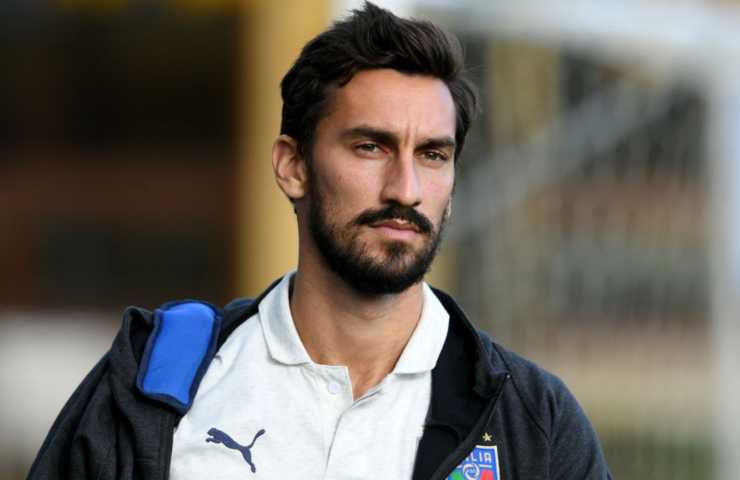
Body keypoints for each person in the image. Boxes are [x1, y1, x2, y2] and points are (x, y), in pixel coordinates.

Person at [28, 3, 611, 479]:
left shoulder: (533, 422)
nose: (406, 189)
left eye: (433, 155)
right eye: (370, 147)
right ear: (293, 166)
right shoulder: (158, 376)